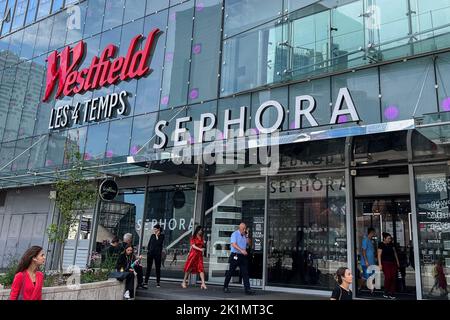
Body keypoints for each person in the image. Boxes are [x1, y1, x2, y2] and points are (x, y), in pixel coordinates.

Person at [223, 222, 254, 295]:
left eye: (245, 228)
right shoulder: (235, 234)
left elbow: (249, 244)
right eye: (244, 228)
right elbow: (233, 244)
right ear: (240, 228)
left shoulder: (244, 235)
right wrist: (241, 250)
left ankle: (248, 289)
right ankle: (225, 286)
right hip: (235, 255)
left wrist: (247, 236)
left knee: (245, 273)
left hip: (242, 256)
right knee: (231, 271)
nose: (245, 229)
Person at [378, 232, 400, 299]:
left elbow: (395, 253)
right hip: (385, 263)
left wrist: (397, 262)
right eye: (388, 238)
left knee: (393, 278)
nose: (389, 240)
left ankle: (392, 293)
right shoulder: (381, 244)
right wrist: (380, 264)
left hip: (393, 263)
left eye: (390, 238)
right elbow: (379, 255)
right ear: (384, 238)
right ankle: (386, 292)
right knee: (388, 277)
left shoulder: (391, 244)